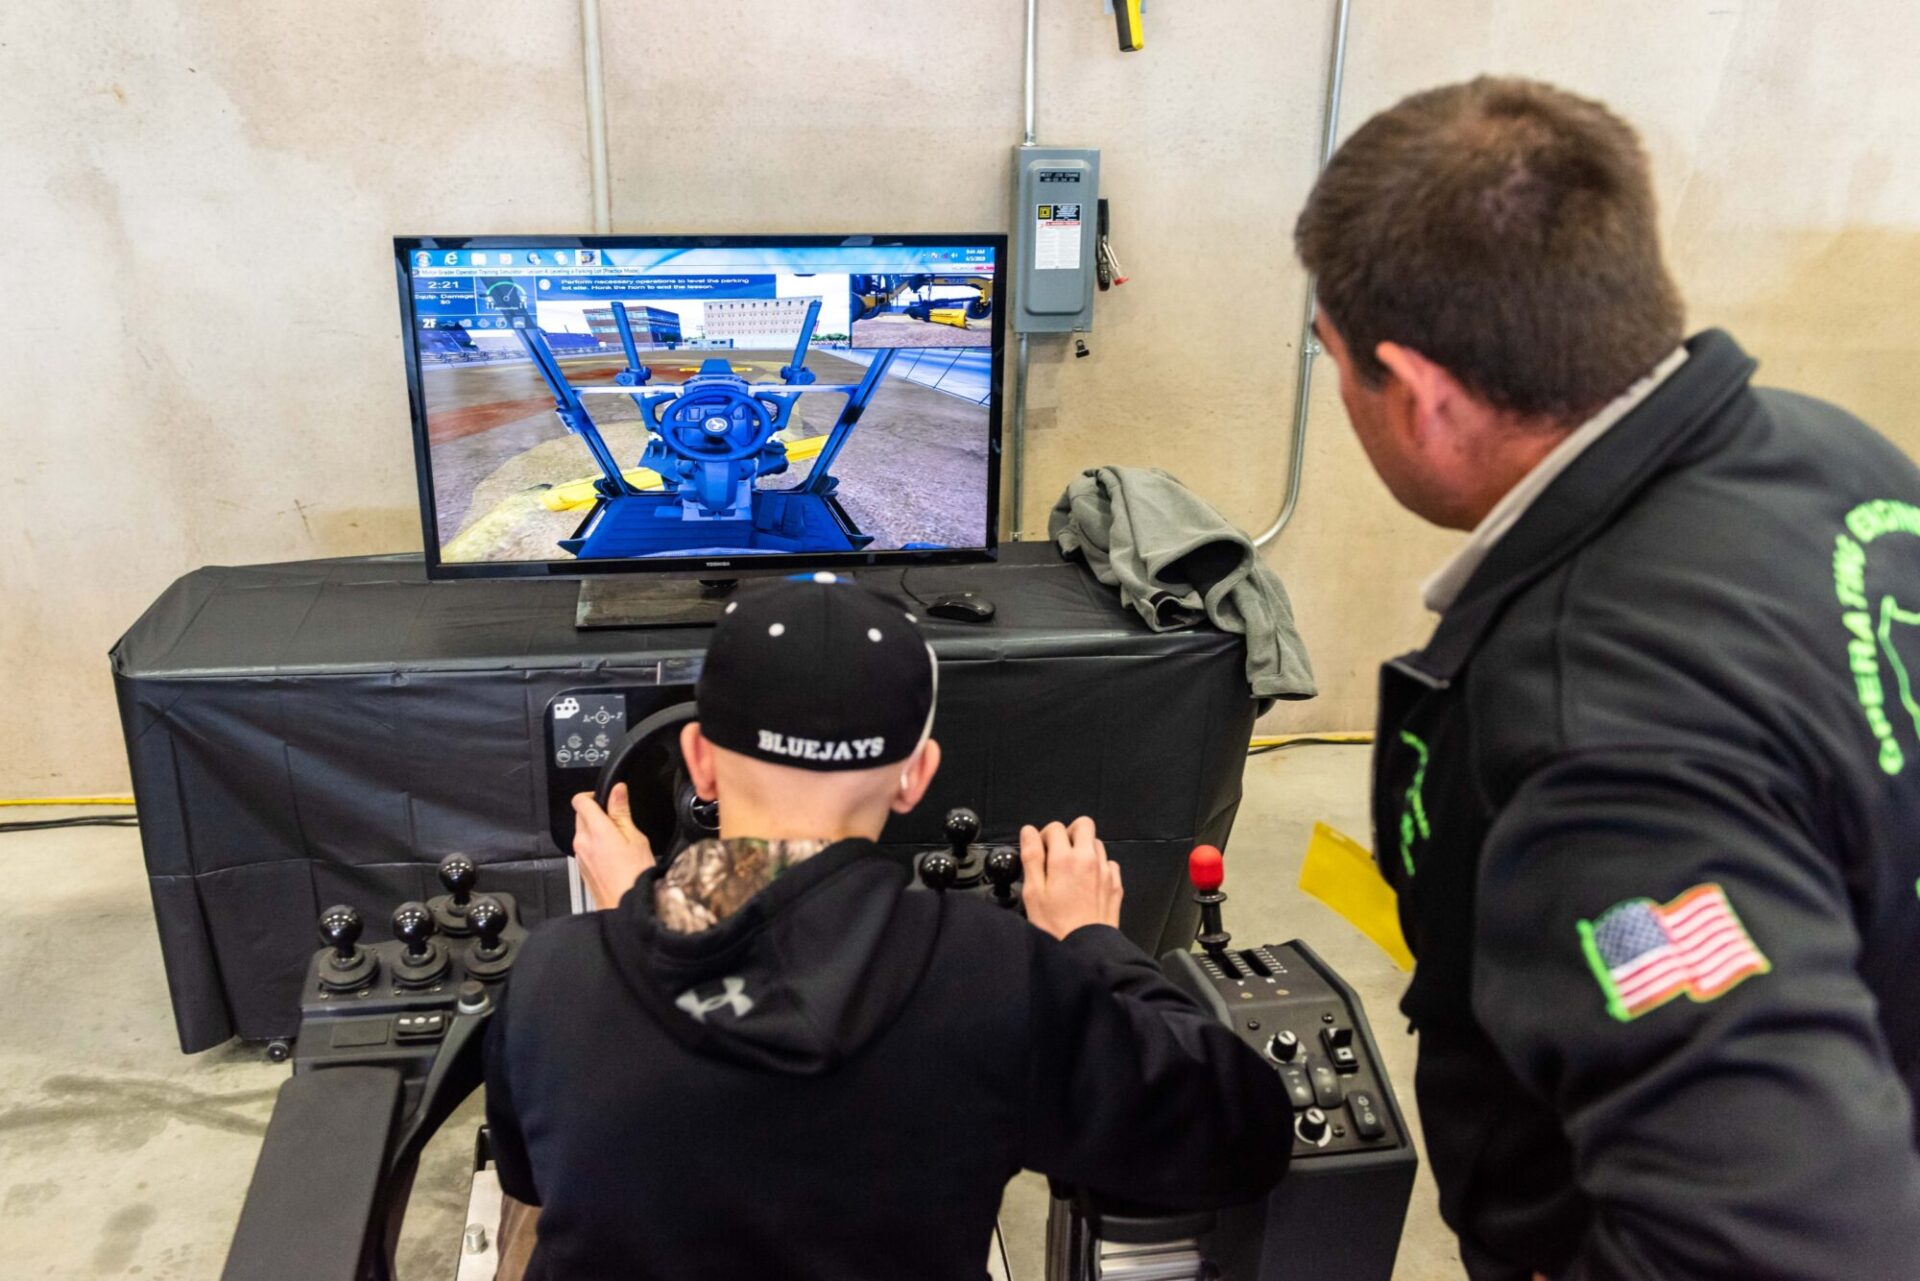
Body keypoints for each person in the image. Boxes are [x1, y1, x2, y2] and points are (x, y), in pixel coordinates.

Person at [1293, 76, 1920, 1279]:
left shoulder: (1595, 753)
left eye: (1335, 365)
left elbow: (1789, 1242)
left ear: (1418, 393)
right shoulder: (1833, 454)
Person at [484, 574, 1293, 1280]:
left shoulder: (554, 976)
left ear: (698, 759)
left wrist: (646, 908)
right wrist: (1091, 943)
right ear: (916, 776)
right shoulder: (997, 976)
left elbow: (530, 1178)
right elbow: (1242, 1132)